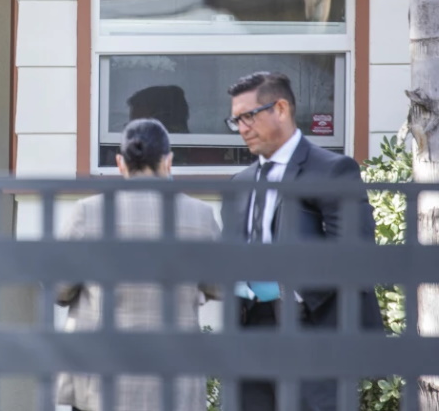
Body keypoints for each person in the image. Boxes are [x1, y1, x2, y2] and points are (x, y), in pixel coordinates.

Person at [221, 71, 383, 411]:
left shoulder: (331, 170)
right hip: (249, 331)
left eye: (248, 116)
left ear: (280, 109)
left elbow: (354, 254)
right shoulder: (240, 183)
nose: (242, 129)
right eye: (236, 120)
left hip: (312, 328)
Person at [55, 118, 220, 411]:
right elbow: (221, 286)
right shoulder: (200, 215)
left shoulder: (88, 212)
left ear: (120, 163)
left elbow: (58, 289)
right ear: (168, 161)